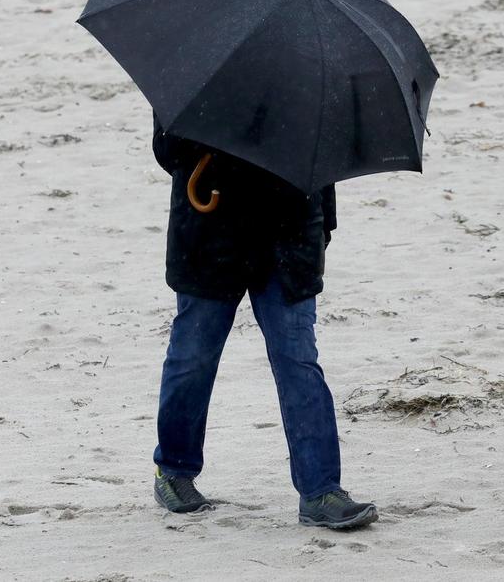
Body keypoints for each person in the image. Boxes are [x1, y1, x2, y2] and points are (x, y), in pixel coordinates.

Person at [148, 114, 378, 530]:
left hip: (288, 238)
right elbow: (167, 150)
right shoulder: (202, 69)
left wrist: (323, 224)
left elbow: (327, 160)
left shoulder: (311, 77)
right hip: (209, 233)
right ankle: (175, 470)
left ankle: (321, 490)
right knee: (192, 359)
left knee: (298, 361)